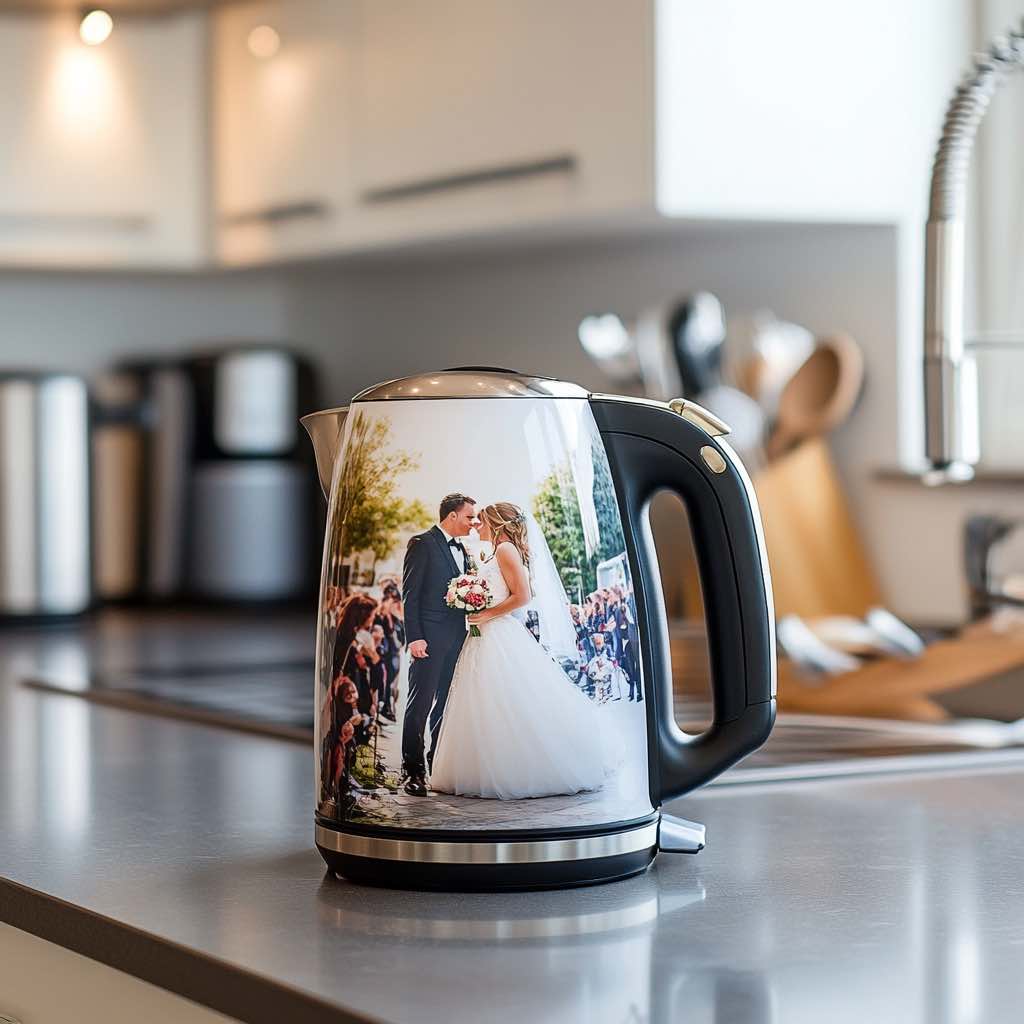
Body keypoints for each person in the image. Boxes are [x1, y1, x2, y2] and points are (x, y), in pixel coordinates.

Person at [430, 502, 607, 800]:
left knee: (506, 699)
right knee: (483, 701)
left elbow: (523, 596)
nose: (477, 526)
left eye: (482, 521)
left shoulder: (505, 550)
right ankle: (481, 767)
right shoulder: (496, 551)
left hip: (498, 634)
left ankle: (518, 768)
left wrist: (487, 614)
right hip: (483, 635)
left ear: (496, 523)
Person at [401, 493, 479, 797]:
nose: (474, 522)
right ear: (452, 516)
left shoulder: (467, 551)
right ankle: (413, 771)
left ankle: (438, 764)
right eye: (470, 516)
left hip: (459, 640)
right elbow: (411, 595)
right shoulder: (422, 544)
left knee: (446, 704)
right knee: (419, 704)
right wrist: (415, 637)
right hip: (429, 641)